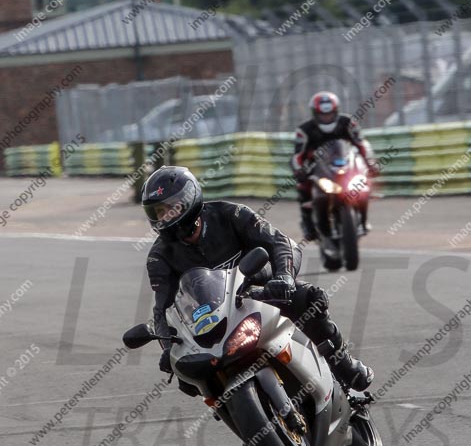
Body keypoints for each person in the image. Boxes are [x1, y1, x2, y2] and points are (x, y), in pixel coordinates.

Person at [141, 165, 373, 395]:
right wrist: (168, 348)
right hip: (209, 321)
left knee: (311, 299)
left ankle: (343, 364)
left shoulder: (230, 213)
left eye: (170, 208)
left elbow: (280, 242)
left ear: (189, 199)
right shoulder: (159, 257)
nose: (165, 216)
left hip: (259, 294)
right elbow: (163, 308)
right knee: (188, 376)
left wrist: (284, 277)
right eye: (158, 212)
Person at [291, 91, 377, 241]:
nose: (326, 118)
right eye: (323, 115)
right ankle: (308, 224)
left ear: (336, 111)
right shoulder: (304, 130)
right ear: (315, 113)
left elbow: (362, 144)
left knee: (364, 185)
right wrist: (299, 171)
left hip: (345, 164)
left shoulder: (349, 123)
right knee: (303, 186)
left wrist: (371, 163)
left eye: (329, 114)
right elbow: (297, 155)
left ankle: (363, 220)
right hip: (317, 168)